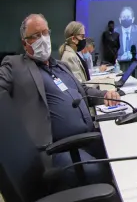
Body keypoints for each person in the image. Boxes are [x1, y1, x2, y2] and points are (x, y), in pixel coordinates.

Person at [0, 14, 121, 183]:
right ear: (24, 43)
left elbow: (82, 90)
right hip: (56, 149)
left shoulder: (60, 66)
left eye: (45, 32)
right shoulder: (14, 65)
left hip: (88, 136)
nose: (42, 39)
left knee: (124, 152)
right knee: (102, 171)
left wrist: (105, 95)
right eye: (35, 36)